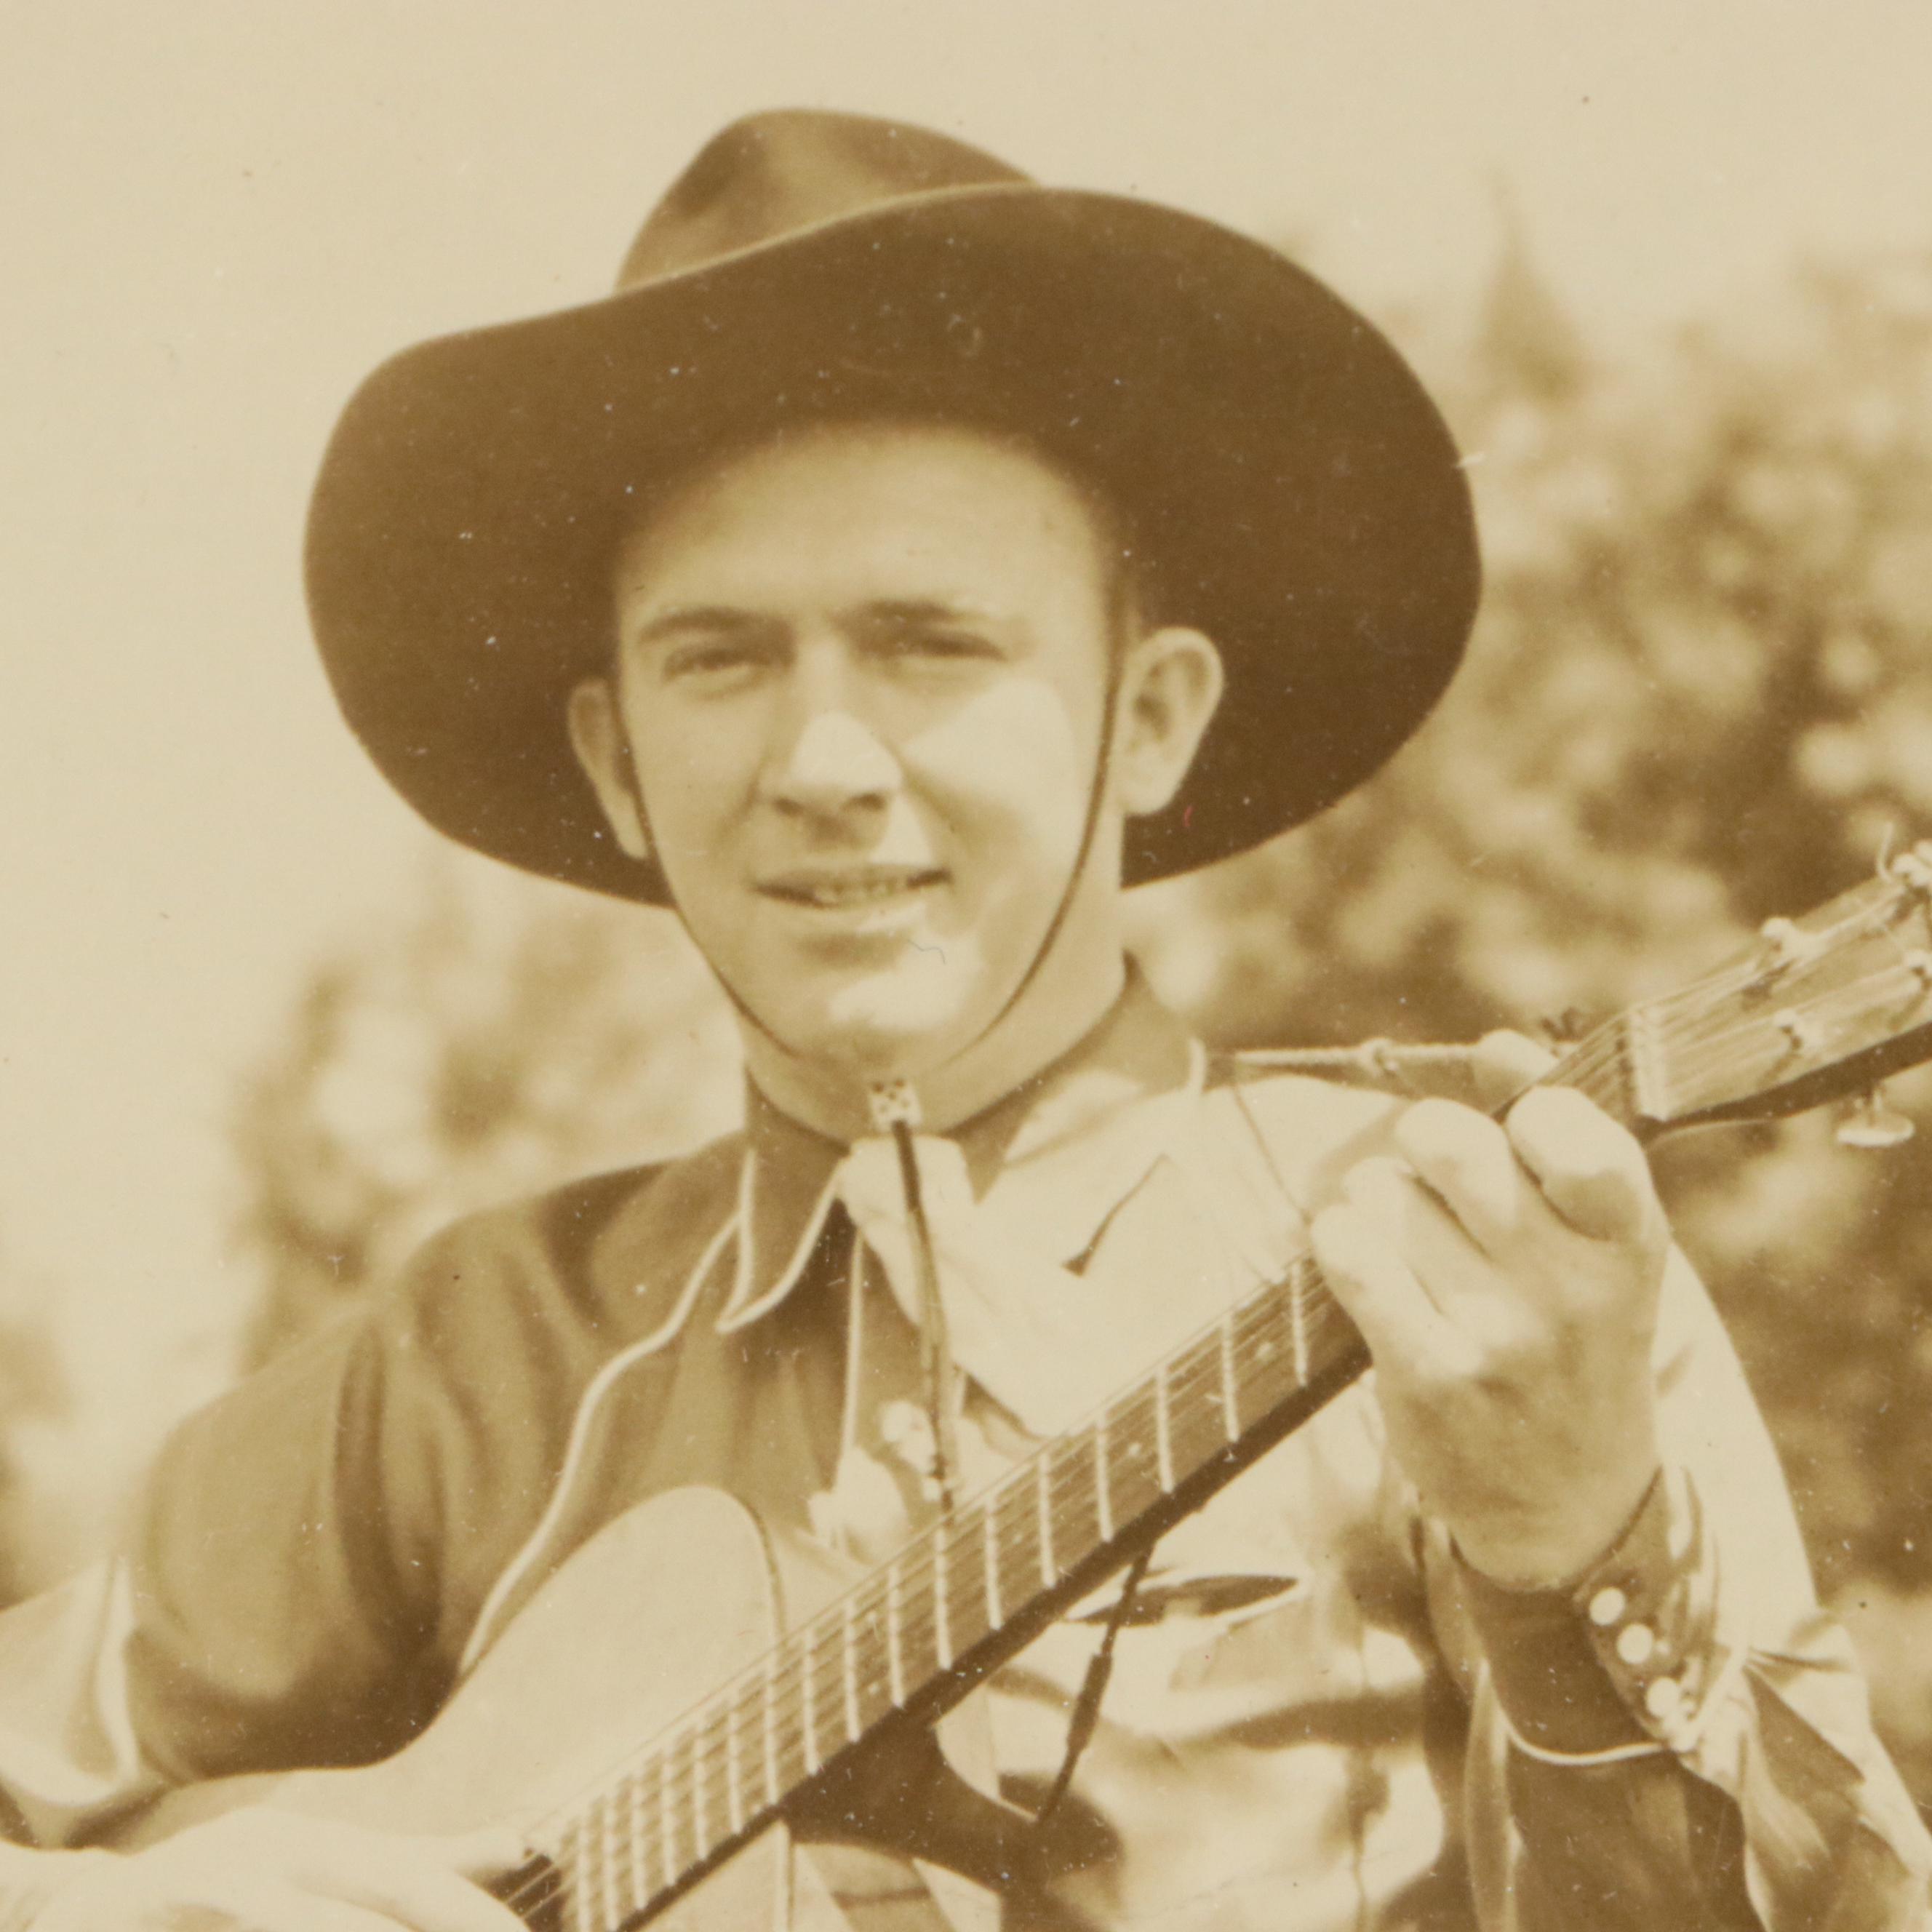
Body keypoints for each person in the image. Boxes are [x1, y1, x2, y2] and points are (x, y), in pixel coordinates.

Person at [0, 109, 1925, 1931]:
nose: (827, 759)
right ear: (614, 757)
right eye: (722, 658)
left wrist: (1581, 1556)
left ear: (1149, 716)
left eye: (934, 645)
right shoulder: (471, 1361)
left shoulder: (1474, 1252)